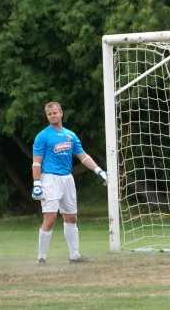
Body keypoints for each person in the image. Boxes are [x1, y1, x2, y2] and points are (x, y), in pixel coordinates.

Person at [31, 101, 109, 265]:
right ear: (47, 117)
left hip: (67, 179)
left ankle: (74, 255)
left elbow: (83, 157)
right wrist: (37, 183)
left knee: (71, 217)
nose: (53, 116)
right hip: (50, 179)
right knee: (50, 217)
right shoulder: (42, 136)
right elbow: (36, 162)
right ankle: (41, 257)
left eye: (55, 113)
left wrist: (99, 171)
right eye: (49, 114)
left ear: (61, 113)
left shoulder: (70, 135)